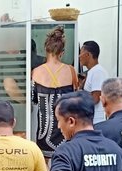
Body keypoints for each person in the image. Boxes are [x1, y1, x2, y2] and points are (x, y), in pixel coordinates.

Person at [32, 25, 78, 158]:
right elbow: (76, 98)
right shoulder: (71, 71)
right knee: (67, 167)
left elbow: (33, 100)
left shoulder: (36, 72)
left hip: (44, 134)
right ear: (62, 52)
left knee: (44, 170)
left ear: (46, 50)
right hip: (67, 132)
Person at [79, 41, 109, 124]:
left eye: (81, 53)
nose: (79, 56)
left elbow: (96, 98)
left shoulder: (97, 72)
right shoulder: (92, 71)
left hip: (96, 122)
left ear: (88, 55)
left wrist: (78, 101)